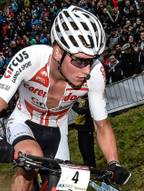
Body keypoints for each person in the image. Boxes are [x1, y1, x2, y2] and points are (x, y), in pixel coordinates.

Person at [0, 5, 131, 191]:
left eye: (91, 60)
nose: (86, 70)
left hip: (58, 131)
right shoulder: (31, 58)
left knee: (65, 187)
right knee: (29, 160)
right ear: (58, 52)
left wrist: (114, 164)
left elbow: (102, 125)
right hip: (23, 121)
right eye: (79, 60)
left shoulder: (95, 74)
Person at [72, 97, 96, 168]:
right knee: (82, 149)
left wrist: (73, 104)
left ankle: (92, 167)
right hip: (81, 128)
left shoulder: (90, 100)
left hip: (87, 128)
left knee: (88, 150)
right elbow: (77, 107)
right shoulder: (81, 99)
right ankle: (87, 165)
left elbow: (81, 110)